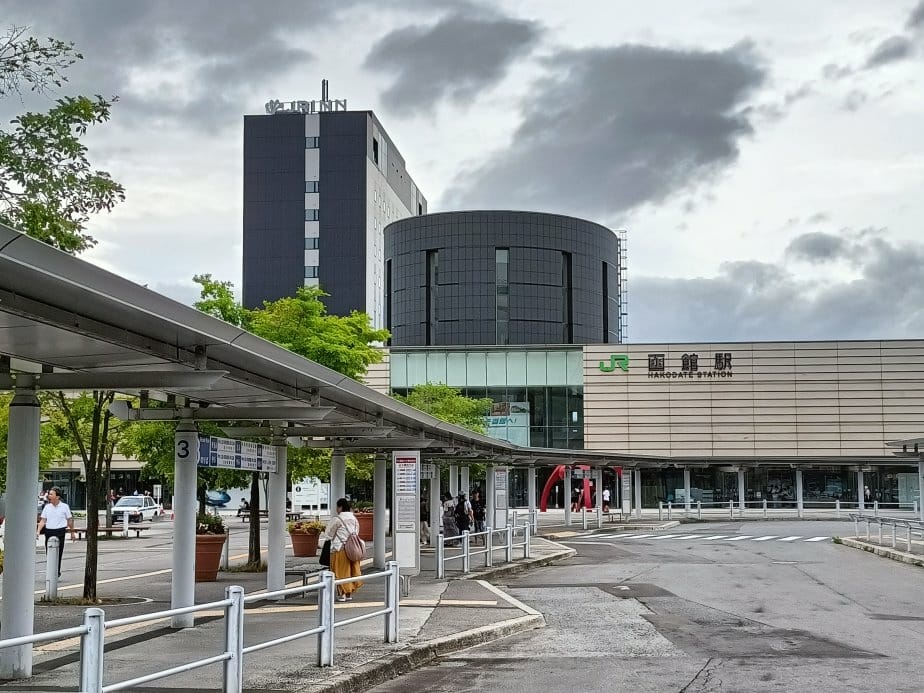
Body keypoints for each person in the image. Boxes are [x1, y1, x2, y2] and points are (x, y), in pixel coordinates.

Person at [322, 497, 363, 602]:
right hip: (353, 549)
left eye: (337, 507)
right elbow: (356, 532)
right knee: (352, 571)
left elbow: (328, 535)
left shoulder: (337, 519)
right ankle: (349, 594)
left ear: (340, 507)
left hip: (339, 548)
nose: (336, 509)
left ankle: (342, 594)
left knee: (340, 571)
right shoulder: (354, 519)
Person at [35, 487, 76, 577]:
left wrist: (72, 533)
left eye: (51, 494)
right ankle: (50, 570)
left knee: (58, 552)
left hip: (60, 531)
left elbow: (69, 520)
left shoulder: (64, 507)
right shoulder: (47, 507)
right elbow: (43, 520)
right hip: (49, 531)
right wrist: (38, 531)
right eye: (49, 494)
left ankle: (56, 571)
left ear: (57, 496)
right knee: (49, 552)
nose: (49, 496)